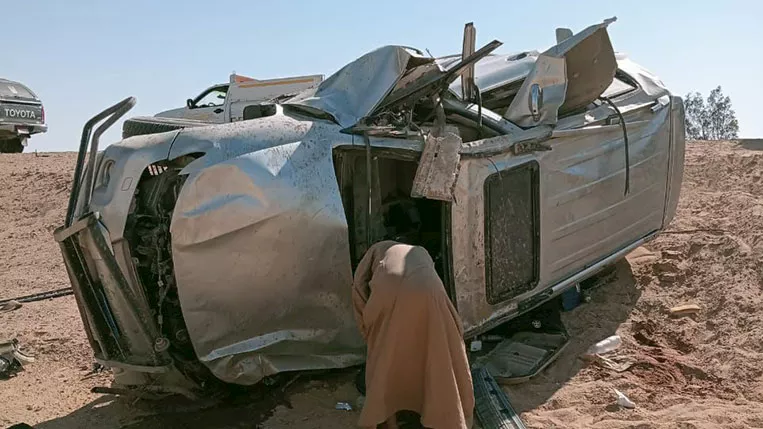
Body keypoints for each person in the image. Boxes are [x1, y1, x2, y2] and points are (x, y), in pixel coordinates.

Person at [352, 240, 474, 429]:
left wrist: (369, 328)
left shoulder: (374, 254)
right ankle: (441, 416)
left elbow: (359, 287)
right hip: (431, 293)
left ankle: (389, 421)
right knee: (437, 354)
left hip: (390, 289)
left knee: (384, 359)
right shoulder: (420, 251)